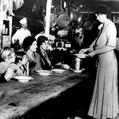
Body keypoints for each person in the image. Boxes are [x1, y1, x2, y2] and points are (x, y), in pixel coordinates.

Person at [79, 5, 118, 119]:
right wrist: (88, 49)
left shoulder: (110, 26)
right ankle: (100, 114)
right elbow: (97, 43)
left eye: (97, 15)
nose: (96, 17)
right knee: (101, 87)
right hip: (102, 61)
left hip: (109, 62)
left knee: (106, 89)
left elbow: (111, 46)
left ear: (103, 14)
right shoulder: (103, 26)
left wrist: (94, 53)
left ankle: (106, 114)